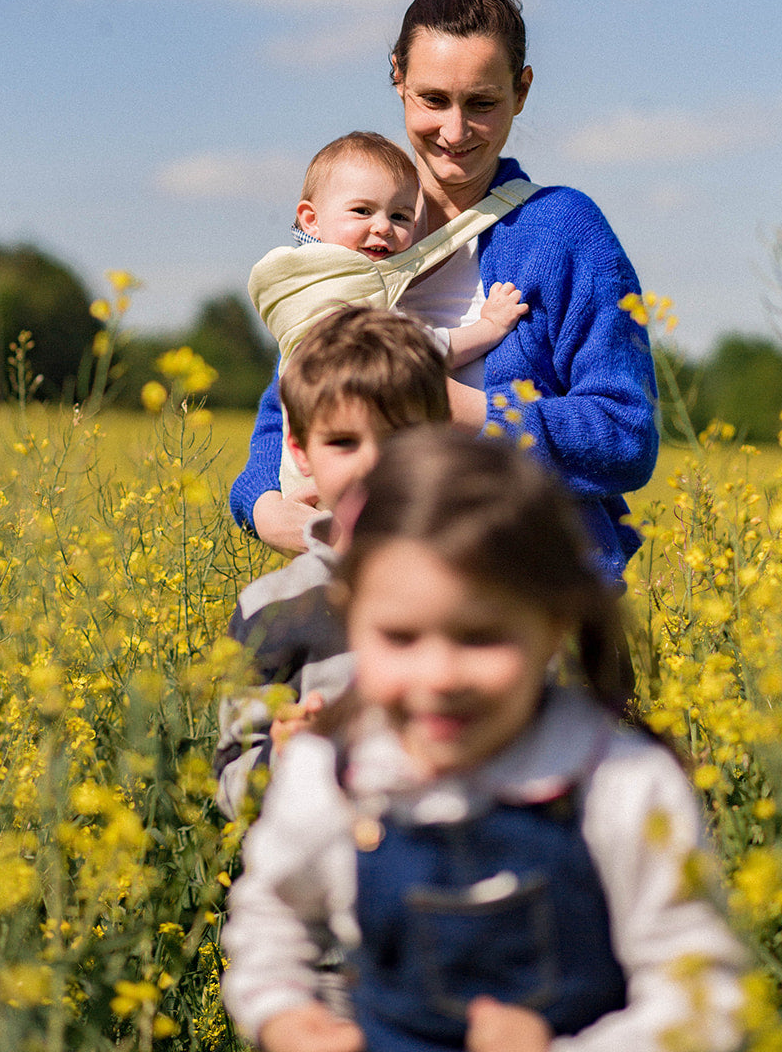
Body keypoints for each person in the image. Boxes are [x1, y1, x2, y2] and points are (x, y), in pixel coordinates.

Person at [221, 427, 746, 1052]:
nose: (439, 679)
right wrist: (284, 1016)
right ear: (349, 616)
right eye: (400, 638)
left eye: (480, 638)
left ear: (553, 625)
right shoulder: (333, 771)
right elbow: (270, 921)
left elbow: (702, 992)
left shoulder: (621, 782)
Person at [232, 0, 658, 584]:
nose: (454, 132)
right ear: (398, 80)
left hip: (527, 597)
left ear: (522, 90)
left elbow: (626, 434)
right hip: (373, 607)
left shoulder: (565, 230)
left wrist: (455, 409)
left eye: (481, 103)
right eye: (432, 99)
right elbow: (291, 403)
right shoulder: (352, 226)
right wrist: (261, 507)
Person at [213, 307, 451, 820]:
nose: (371, 465)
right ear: (299, 450)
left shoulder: (477, 593)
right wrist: (283, 751)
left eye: (397, 440)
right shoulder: (270, 607)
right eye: (343, 442)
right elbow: (233, 785)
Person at [249, 129, 529, 498]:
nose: (383, 226)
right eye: (362, 211)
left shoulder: (298, 277)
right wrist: (489, 327)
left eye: (400, 215)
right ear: (310, 219)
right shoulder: (335, 284)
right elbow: (415, 351)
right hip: (336, 476)